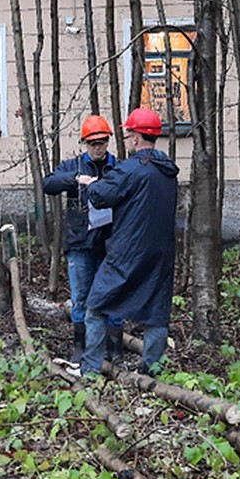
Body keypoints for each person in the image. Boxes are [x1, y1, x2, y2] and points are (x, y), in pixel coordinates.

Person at [81, 106, 179, 377]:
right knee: (157, 314)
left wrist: (91, 184)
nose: (125, 140)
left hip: (127, 251)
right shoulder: (167, 170)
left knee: (96, 306)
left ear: (136, 138)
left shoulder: (131, 169)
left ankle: (89, 370)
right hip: (160, 253)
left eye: (127, 135)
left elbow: (101, 196)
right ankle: (151, 374)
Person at [42, 114, 123, 363]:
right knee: (80, 298)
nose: (98, 147)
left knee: (113, 296)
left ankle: (114, 349)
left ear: (108, 141)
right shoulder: (73, 166)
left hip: (110, 243)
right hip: (80, 242)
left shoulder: (118, 167)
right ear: (85, 143)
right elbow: (48, 183)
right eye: (93, 143)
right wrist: (75, 180)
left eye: (102, 142)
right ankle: (81, 348)